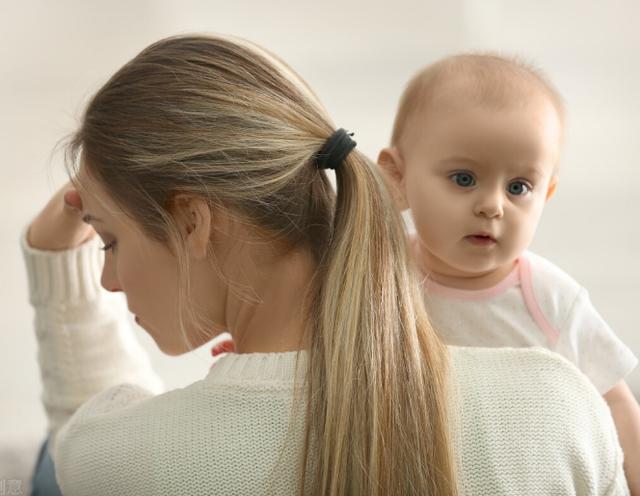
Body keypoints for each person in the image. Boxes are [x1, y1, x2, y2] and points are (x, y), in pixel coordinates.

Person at [22, 35, 628, 495]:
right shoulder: (559, 410)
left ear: (192, 222)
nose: (108, 279)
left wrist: (59, 275)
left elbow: (75, 450)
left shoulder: (125, 457)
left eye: (109, 242)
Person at [378, 53, 640, 494]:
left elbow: (614, 401)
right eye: (464, 179)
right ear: (397, 177)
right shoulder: (379, 275)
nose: (492, 205)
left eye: (519, 187)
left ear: (547, 193)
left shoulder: (549, 299)